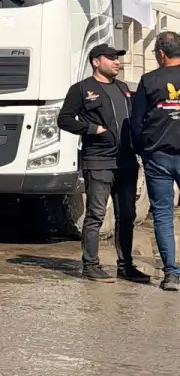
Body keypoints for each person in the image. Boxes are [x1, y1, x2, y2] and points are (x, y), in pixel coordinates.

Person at [58, 43, 149, 283]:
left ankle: (126, 266)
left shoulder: (124, 89)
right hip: (98, 161)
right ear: (96, 62)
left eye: (117, 57)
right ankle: (90, 265)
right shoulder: (81, 89)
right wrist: (92, 128)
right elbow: (64, 120)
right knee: (96, 214)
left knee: (126, 215)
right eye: (111, 57)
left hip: (127, 162)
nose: (116, 61)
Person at [132, 30, 180, 292]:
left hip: (158, 156)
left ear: (161, 54)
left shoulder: (149, 80)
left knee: (163, 216)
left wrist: (143, 150)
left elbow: (137, 122)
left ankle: (171, 274)